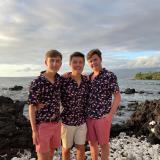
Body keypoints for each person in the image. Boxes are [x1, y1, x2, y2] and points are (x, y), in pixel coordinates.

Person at [86, 49, 121, 160]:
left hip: (102, 117)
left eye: (95, 59)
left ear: (100, 59)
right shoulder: (88, 77)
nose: (93, 63)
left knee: (104, 145)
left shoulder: (109, 75)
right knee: (92, 143)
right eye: (90, 61)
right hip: (89, 117)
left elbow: (117, 96)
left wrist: (110, 115)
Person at [28, 50, 62, 160]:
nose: (54, 64)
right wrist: (34, 131)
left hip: (57, 124)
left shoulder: (59, 79)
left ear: (60, 64)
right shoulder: (37, 82)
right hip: (42, 125)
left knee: (51, 154)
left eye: (57, 61)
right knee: (42, 157)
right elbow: (31, 107)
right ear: (45, 62)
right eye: (51, 60)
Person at [61, 52, 89, 160]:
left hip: (81, 122)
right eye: (75, 62)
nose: (78, 64)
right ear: (70, 63)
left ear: (83, 64)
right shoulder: (63, 80)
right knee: (66, 149)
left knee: (81, 148)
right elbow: (50, 89)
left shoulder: (86, 81)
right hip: (67, 122)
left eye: (80, 62)